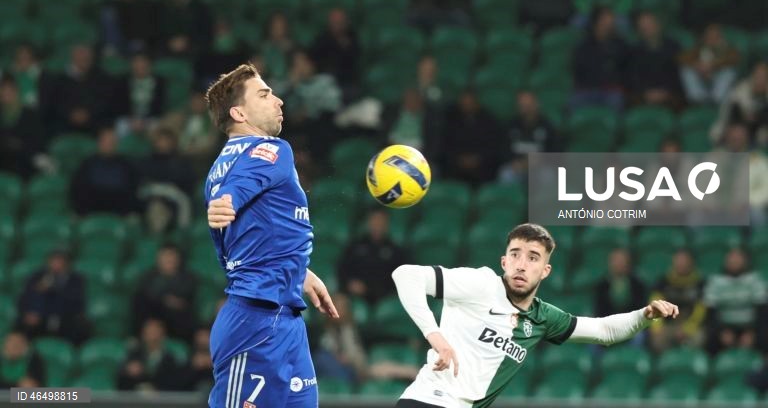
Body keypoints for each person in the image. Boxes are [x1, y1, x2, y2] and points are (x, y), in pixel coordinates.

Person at [391, 223, 679, 408]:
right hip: (429, 400)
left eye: (532, 258)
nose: (521, 264)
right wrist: (437, 338)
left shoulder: (542, 317)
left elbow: (604, 331)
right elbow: (405, 276)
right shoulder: (481, 284)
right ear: (503, 261)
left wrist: (644, 315)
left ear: (545, 270)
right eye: (515, 254)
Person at [203, 63, 338, 408]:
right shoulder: (271, 150)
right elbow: (241, 186)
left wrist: (299, 271)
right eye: (264, 94)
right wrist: (227, 201)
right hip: (256, 324)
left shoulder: (221, 165)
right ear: (238, 112)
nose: (278, 101)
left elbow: (247, 242)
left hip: (283, 317)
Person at [16, 250, 90, 345]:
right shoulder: (37, 277)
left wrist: (53, 289)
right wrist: (30, 312)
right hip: (40, 319)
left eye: (59, 261)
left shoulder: (76, 280)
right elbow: (24, 298)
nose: (56, 264)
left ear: (67, 263)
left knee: (80, 329)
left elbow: (76, 304)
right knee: (22, 324)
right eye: (54, 260)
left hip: (65, 319)